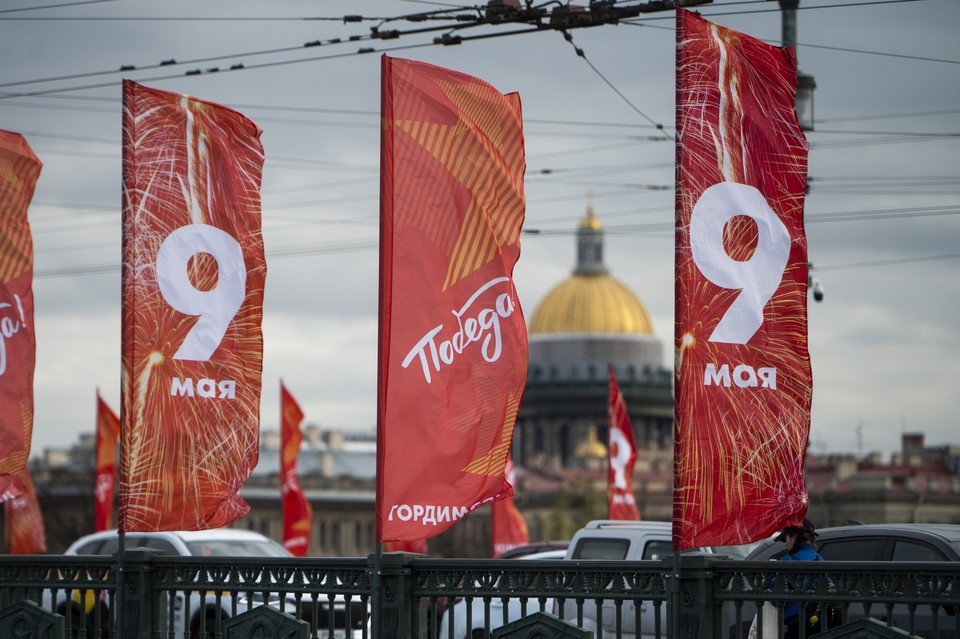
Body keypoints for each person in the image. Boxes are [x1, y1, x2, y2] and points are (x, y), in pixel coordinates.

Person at [776, 518, 827, 639]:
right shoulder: (820, 559)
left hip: (797, 624)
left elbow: (775, 597)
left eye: (786, 538)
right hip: (820, 623)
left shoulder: (788, 561)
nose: (786, 543)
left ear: (794, 537)